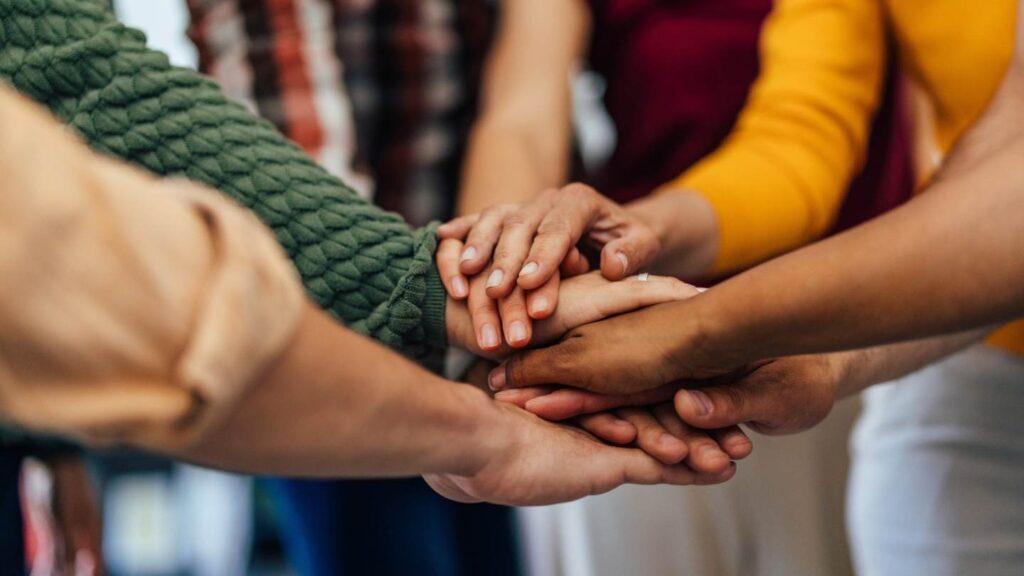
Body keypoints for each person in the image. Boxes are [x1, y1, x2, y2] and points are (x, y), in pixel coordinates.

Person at [0, 84, 740, 508]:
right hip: (351, 337)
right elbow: (142, 300)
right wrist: (459, 296)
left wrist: (492, 291)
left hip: (444, 335)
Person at [491, 3, 1024, 571]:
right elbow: (802, 133)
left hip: (922, 322)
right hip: (963, 360)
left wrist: (695, 330)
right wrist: (643, 229)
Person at [182, 2, 504, 573]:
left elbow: (513, 109)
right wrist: (470, 310)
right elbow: (300, 168)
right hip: (336, 343)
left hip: (477, 345)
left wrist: (497, 302)